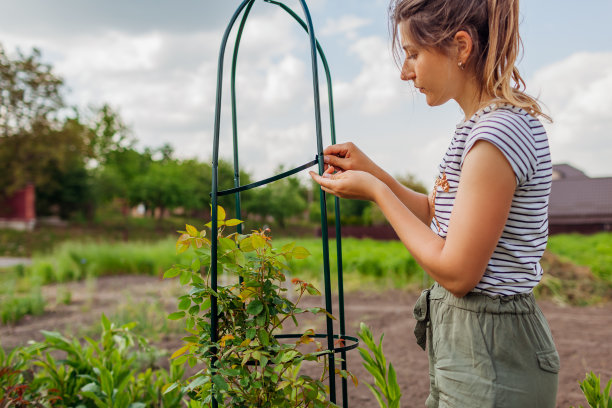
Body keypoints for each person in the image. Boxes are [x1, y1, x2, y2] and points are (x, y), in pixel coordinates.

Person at [309, 0, 560, 406]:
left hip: (494, 351)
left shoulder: (497, 133)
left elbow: (458, 272)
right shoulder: (477, 127)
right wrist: (375, 174)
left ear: (461, 47)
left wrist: (377, 193)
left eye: (413, 54)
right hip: (474, 343)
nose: (405, 71)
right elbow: (434, 211)